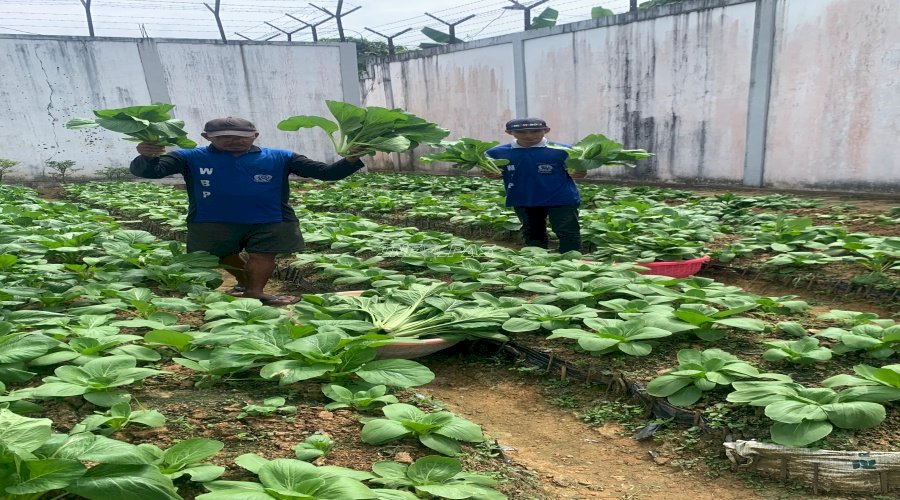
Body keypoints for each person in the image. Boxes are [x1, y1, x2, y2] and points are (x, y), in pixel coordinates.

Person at [130, 116, 364, 306]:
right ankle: (245, 282)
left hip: (270, 217)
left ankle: (255, 291)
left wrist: (351, 159)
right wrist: (147, 156)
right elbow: (151, 172)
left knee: (263, 255)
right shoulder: (189, 156)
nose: (235, 141)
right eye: (225, 137)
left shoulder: (281, 157)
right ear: (207, 137)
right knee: (221, 255)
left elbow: (326, 173)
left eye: (242, 137)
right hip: (211, 219)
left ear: (255, 135)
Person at [485, 118, 585, 253]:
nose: (529, 135)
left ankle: (571, 261)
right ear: (509, 132)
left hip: (561, 198)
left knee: (568, 232)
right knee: (533, 234)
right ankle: (537, 261)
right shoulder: (496, 153)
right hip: (524, 198)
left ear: (546, 130)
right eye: (521, 132)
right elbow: (492, 171)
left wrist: (580, 172)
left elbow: (578, 172)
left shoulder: (563, 150)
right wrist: (490, 173)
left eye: (535, 131)